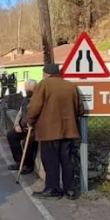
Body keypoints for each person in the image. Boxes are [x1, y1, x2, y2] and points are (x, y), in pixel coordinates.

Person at [27, 63, 83, 200]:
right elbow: (80, 109)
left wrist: (30, 121)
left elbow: (35, 106)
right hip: (69, 130)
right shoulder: (71, 86)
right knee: (67, 160)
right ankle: (69, 189)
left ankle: (53, 189)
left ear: (46, 73)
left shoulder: (44, 85)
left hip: (49, 131)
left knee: (50, 160)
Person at [6, 79, 38, 175]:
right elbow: (20, 113)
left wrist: (33, 125)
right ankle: (19, 162)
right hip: (23, 127)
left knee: (28, 143)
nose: (26, 90)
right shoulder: (25, 99)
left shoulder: (38, 99)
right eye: (26, 88)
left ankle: (28, 165)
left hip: (33, 129)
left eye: (28, 89)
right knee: (11, 136)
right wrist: (16, 124)